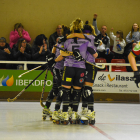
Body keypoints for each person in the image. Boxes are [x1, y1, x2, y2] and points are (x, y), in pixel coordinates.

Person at [47, 18, 98, 124]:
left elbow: (62, 54)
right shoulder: (87, 39)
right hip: (82, 67)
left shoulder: (68, 39)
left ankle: (64, 112)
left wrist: (53, 60)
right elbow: (95, 54)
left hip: (69, 67)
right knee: (80, 91)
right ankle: (77, 111)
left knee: (65, 90)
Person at [42, 26, 70, 121]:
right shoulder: (64, 41)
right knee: (60, 90)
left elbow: (55, 48)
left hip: (60, 68)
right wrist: (52, 58)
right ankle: (56, 111)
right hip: (58, 69)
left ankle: (46, 108)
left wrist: (52, 59)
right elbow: (60, 53)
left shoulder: (65, 41)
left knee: (54, 89)